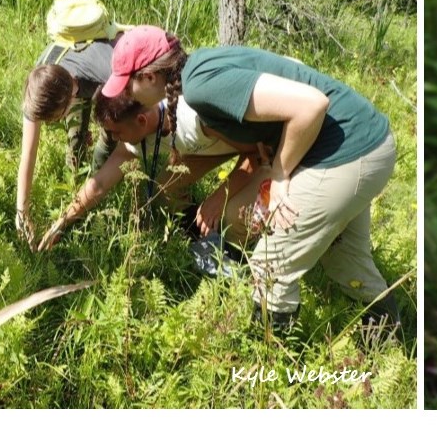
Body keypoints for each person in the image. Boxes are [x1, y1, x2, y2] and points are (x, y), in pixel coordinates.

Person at [101, 26, 401, 335]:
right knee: (346, 261)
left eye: (127, 85)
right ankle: (390, 343)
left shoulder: (201, 86)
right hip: (365, 142)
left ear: (149, 77)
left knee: (272, 265)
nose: (128, 96)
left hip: (345, 153)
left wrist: (282, 175)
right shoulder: (200, 66)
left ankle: (267, 366)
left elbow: (311, 105)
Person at [34, 93, 269, 253]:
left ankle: (235, 261)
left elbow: (257, 153)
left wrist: (218, 198)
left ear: (141, 119)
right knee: (166, 188)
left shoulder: (193, 116)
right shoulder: (140, 133)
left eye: (117, 133)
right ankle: (199, 240)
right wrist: (62, 222)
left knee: (234, 215)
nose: (114, 139)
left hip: (270, 150)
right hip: (213, 146)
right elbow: (100, 183)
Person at [15, 0, 127, 246]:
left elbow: (128, 141)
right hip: (70, 83)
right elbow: (27, 155)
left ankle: (89, 199)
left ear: (70, 96)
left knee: (111, 133)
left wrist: (69, 217)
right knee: (75, 141)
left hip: (109, 83)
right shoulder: (40, 87)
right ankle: (74, 177)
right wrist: (22, 213)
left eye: (56, 118)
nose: (51, 124)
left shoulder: (107, 65)